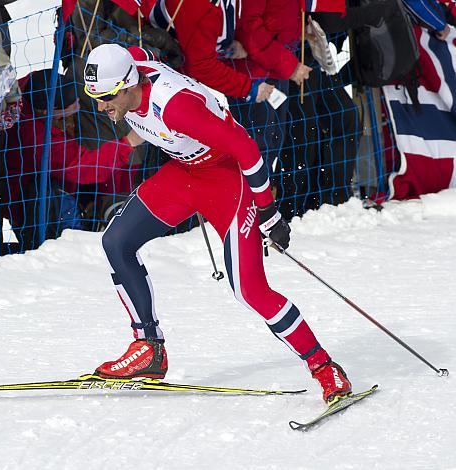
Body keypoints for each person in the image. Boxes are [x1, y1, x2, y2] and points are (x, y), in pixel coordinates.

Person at [83, 43, 352, 404]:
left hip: (227, 181)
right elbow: (141, 49)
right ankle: (148, 348)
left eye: (108, 97)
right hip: (184, 174)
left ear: (130, 84)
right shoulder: (130, 65)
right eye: (95, 97)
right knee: (116, 243)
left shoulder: (177, 109)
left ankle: (324, 367)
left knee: (250, 290)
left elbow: (247, 150)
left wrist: (270, 215)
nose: (102, 107)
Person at [4, 68, 135, 250]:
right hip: (26, 202)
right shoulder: (38, 138)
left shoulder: (29, 87)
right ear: (50, 110)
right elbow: (83, 166)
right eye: (71, 108)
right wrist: (128, 143)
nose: (78, 108)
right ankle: (65, 244)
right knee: (52, 216)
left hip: (42, 183)